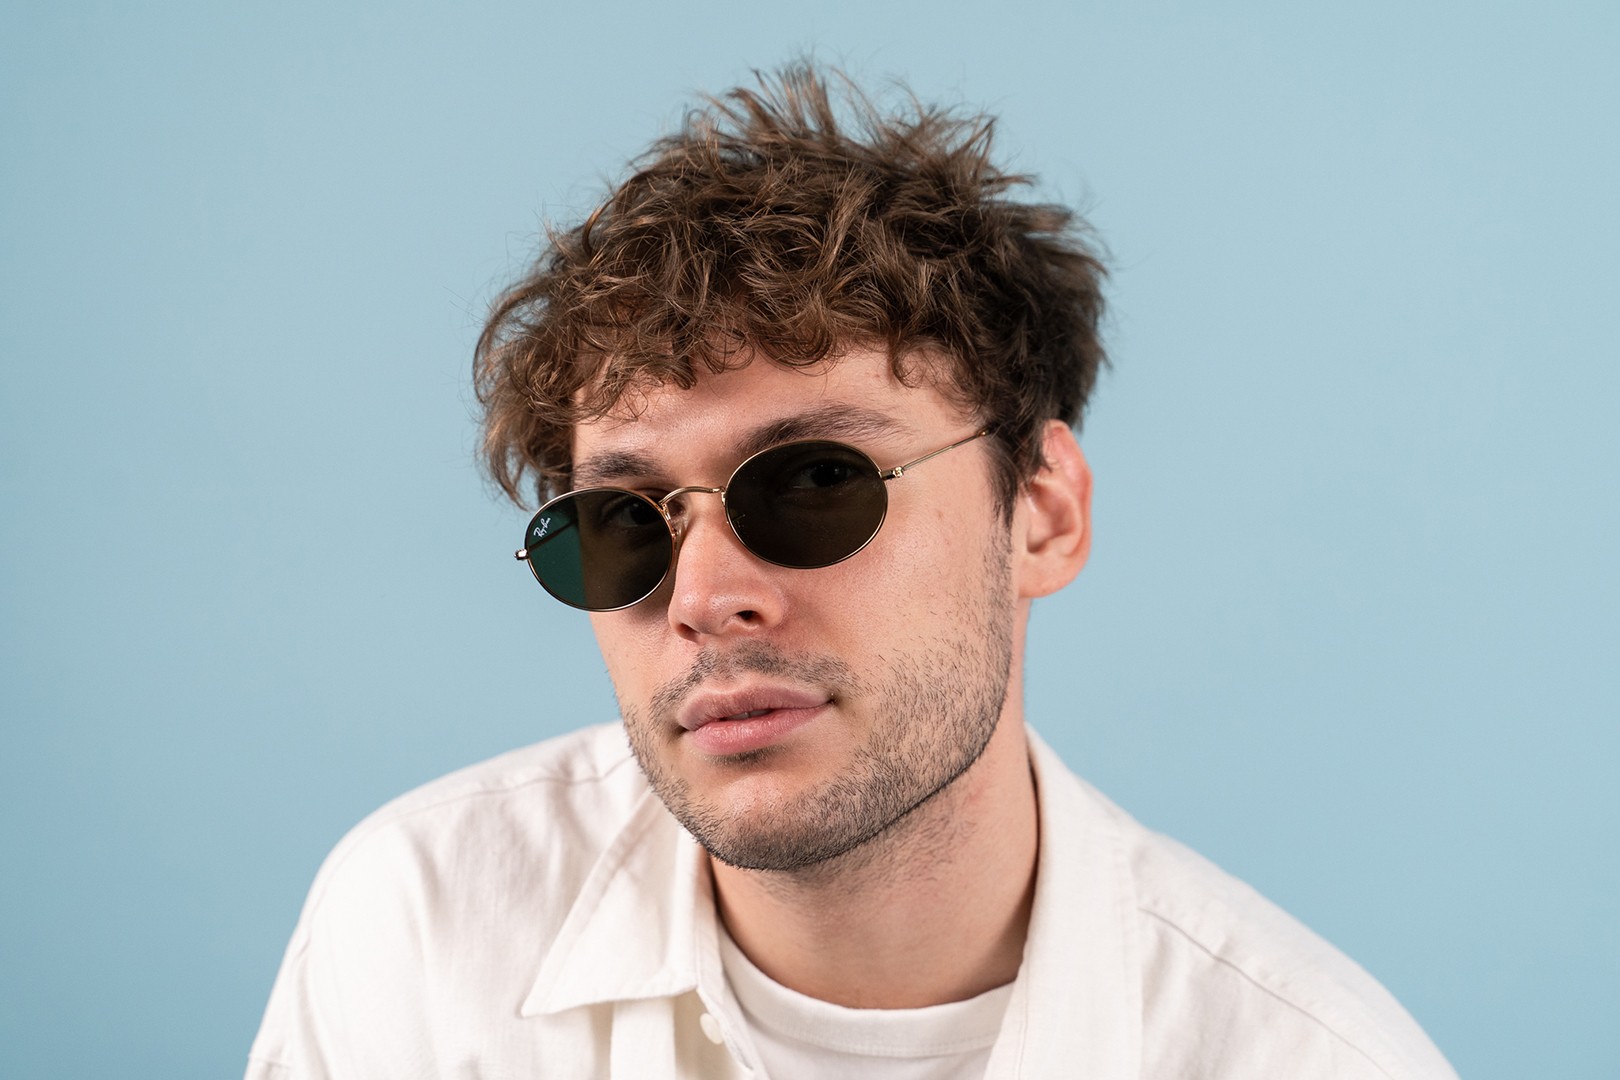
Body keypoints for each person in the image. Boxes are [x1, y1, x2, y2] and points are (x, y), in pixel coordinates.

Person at [246, 65, 1458, 1079]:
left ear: (1041, 515)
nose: (705, 599)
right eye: (621, 522)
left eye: (816, 483)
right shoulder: (420, 931)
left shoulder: (1308, 1058)